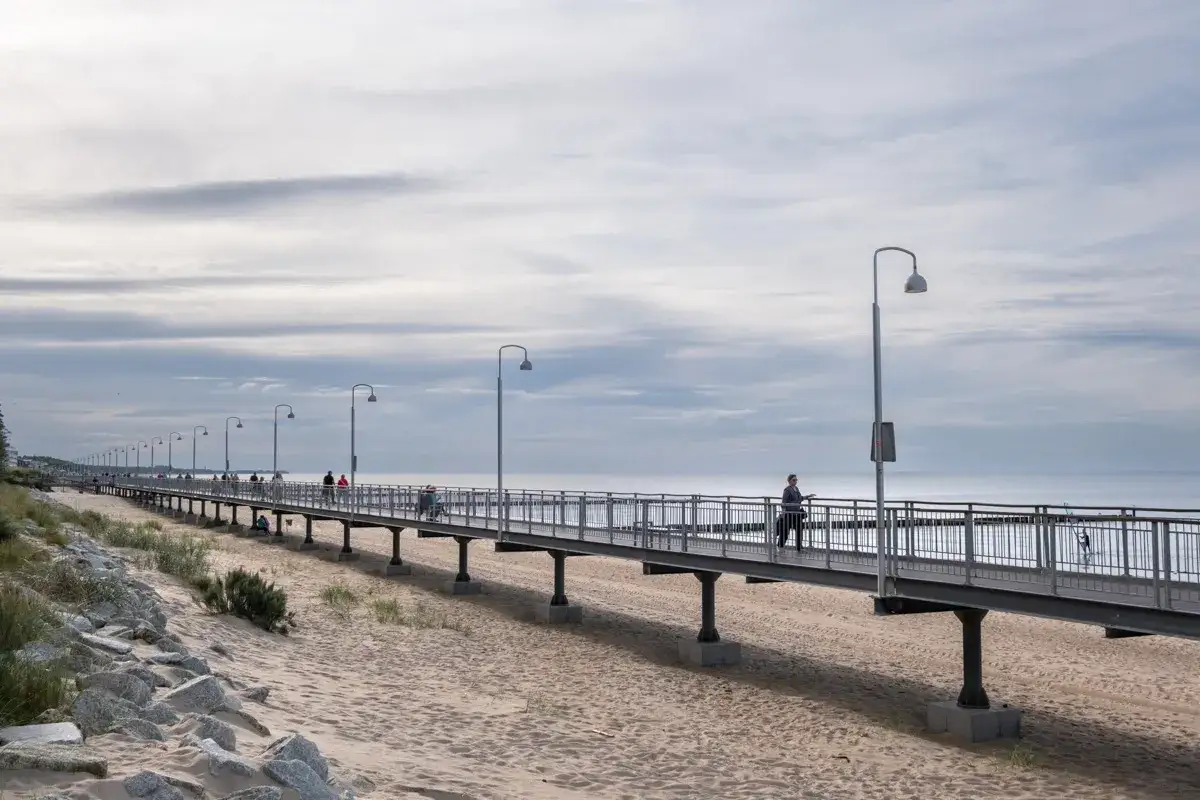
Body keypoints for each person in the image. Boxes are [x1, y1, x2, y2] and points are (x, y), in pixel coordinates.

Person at [775, 474, 813, 549]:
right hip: (789, 514)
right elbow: (784, 502)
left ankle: (799, 547)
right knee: (785, 531)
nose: (795, 481)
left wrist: (807, 496)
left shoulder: (796, 489)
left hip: (797, 513)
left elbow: (799, 498)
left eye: (796, 480)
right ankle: (780, 546)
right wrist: (783, 512)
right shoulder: (787, 490)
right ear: (789, 481)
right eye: (793, 480)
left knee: (799, 530)